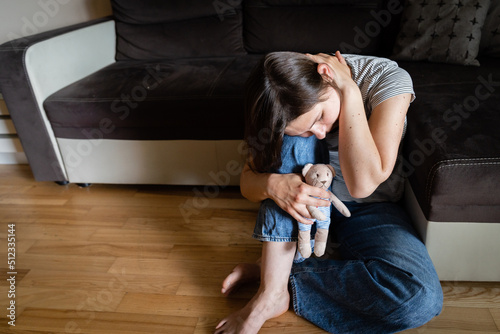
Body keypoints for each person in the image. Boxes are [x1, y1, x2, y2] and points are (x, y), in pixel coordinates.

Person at [214, 51, 443, 334]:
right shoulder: (283, 95)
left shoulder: (387, 79)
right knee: (290, 145)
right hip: (304, 212)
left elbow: (363, 184)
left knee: (419, 297)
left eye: (320, 117)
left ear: (326, 75)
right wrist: (274, 185)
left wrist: (349, 91)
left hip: (370, 209)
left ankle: (277, 276)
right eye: (309, 130)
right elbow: (248, 182)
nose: (321, 133)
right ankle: (269, 294)